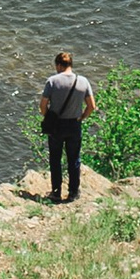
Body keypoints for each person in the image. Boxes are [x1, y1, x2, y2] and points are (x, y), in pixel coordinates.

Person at [39, 50, 94, 204]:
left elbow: (43, 105)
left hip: (57, 125)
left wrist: (48, 117)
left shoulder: (52, 81)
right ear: (71, 64)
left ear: (58, 65)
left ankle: (56, 192)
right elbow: (91, 106)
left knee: (55, 159)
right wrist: (82, 117)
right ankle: (73, 193)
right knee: (74, 159)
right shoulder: (83, 81)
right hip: (74, 124)